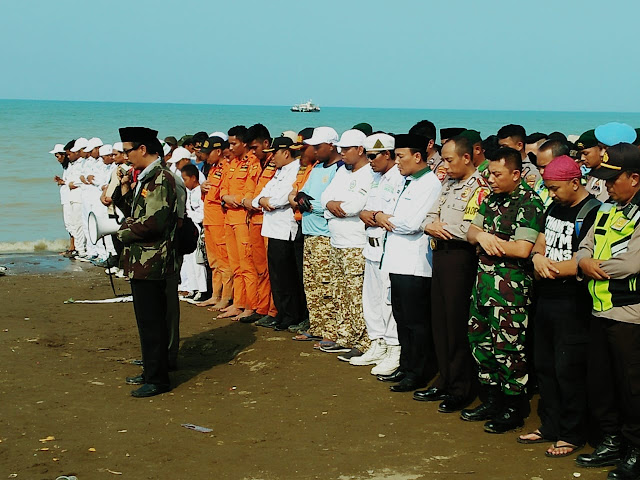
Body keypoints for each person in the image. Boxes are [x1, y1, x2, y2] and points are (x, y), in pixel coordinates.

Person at [520, 156, 600, 457]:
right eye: (548, 189)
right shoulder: (554, 207)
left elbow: (586, 259)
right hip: (546, 295)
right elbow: (541, 239)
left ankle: (572, 432)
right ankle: (550, 425)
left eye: (555, 188)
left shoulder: (591, 212)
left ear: (575, 182)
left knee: (570, 368)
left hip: (572, 299)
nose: (551, 194)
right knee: (545, 365)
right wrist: (538, 257)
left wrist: (553, 268)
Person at [463, 147, 545, 433]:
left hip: (510, 291)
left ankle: (514, 407)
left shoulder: (529, 203)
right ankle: (491, 399)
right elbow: (471, 231)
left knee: (509, 350)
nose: (492, 179)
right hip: (484, 286)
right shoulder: (491, 199)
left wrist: (488, 243)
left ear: (516, 173)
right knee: (481, 343)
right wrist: (485, 237)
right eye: (489, 173)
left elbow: (523, 249)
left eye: (497, 174)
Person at [576, 143, 640, 479]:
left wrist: (590, 266)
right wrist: (583, 261)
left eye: (613, 180)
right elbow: (584, 245)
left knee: (632, 389)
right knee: (602, 383)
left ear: (636, 179)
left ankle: (635, 450)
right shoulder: (606, 209)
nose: (607, 185)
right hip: (599, 310)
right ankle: (611, 441)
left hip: (630, 315)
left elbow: (632, 263)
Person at [418, 134, 491, 412]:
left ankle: (460, 386)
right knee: (439, 320)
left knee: (457, 323)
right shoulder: (448, 183)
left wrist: (440, 227)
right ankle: (445, 378)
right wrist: (431, 226)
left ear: (466, 158)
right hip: (441, 254)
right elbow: (429, 216)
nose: (445, 166)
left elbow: (472, 227)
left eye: (449, 160)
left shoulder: (480, 186)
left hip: (461, 258)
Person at [116, 126, 178, 398]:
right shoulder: (147, 176)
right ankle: (152, 369)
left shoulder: (160, 178)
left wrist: (122, 233)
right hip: (143, 258)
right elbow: (137, 212)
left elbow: (153, 223)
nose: (126, 156)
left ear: (143, 149)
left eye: (128, 150)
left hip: (152, 258)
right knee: (147, 319)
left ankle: (157, 378)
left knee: (152, 320)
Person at [378, 133, 442, 392]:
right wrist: (386, 217)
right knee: (402, 318)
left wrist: (383, 218)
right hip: (397, 260)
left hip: (415, 265)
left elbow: (413, 224)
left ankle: (418, 371)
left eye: (401, 156)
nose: (397, 162)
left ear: (418, 156)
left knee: (416, 322)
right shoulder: (407, 182)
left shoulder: (429, 184)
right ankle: (406, 366)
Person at [349, 133, 403, 374]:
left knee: (387, 300)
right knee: (370, 299)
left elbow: (391, 213)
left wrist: (374, 215)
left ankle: (394, 347)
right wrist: (364, 214)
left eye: (373, 156)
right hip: (370, 244)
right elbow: (365, 206)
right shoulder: (374, 176)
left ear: (387, 154)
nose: (370, 161)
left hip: (387, 245)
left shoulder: (399, 177)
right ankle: (377, 342)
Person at [319, 129, 374, 357]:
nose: (342, 154)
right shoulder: (343, 172)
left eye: (346, 149)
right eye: (340, 149)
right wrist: (332, 208)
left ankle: (362, 342)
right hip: (337, 241)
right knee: (339, 292)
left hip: (355, 243)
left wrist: (333, 208)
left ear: (360, 150)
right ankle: (344, 336)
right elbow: (325, 198)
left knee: (356, 294)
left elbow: (355, 206)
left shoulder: (369, 174)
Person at [291, 127, 342, 345]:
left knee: (326, 283)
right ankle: (317, 325)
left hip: (325, 233)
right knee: (311, 284)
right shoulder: (318, 167)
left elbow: (328, 203)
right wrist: (304, 201)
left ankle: (331, 330)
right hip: (309, 230)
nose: (315, 150)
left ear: (331, 145)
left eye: (318, 146)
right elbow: (301, 195)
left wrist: (309, 204)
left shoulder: (339, 169)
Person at [252, 136, 307, 331]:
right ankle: (282, 313)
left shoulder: (295, 170)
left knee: (287, 276)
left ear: (285, 152)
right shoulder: (278, 171)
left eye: (274, 153)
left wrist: (266, 201)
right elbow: (258, 196)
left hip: (285, 229)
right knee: (276, 275)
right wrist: (262, 201)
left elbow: (281, 198)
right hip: (272, 228)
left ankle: (291, 315)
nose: (272, 157)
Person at [219, 125, 261, 322]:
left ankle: (250, 306)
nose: (231, 147)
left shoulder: (253, 163)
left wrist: (232, 197)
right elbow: (222, 192)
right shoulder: (232, 164)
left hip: (243, 220)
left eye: (234, 143)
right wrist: (230, 197)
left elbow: (249, 194)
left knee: (247, 266)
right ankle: (238, 303)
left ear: (244, 143)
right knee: (234, 265)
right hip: (229, 219)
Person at [244, 124, 279, 325]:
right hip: (254, 221)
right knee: (259, 268)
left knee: (271, 268)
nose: (252, 152)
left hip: (268, 221)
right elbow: (250, 190)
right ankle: (263, 307)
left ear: (266, 143)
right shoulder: (257, 164)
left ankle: (273, 310)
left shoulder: (275, 163)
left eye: (254, 147)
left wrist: (252, 201)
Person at [199, 136, 234, 310]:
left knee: (224, 260)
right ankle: (215, 294)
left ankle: (226, 297)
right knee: (213, 261)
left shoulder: (226, 169)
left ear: (218, 151)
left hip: (220, 220)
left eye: (208, 152)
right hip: (210, 220)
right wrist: (201, 188)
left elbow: (222, 194)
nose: (205, 156)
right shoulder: (212, 169)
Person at [179, 164, 208, 300]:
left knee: (198, 261)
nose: (184, 182)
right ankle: (193, 287)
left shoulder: (200, 192)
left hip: (198, 228)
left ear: (193, 178)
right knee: (188, 260)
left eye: (185, 179)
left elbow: (202, 214)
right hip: (190, 227)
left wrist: (188, 214)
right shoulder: (189, 192)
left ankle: (202, 289)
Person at [533, 140, 570, 207]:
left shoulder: (571, 186)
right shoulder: (540, 183)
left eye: (545, 167)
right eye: (539, 167)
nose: (541, 172)